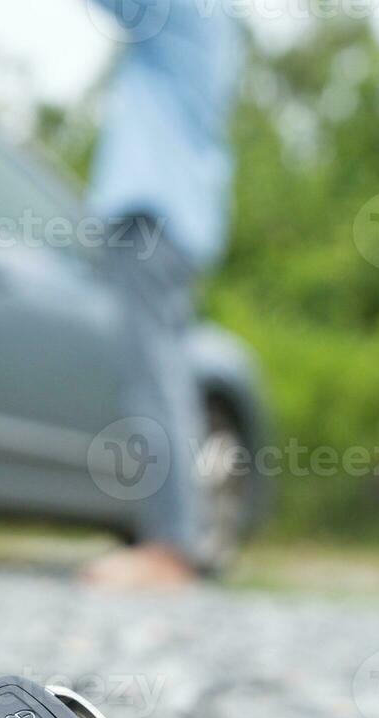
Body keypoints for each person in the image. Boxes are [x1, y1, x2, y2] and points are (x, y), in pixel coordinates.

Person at [80, 0, 244, 589]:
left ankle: (168, 549)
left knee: (153, 378)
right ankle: (176, 541)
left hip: (154, 215)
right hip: (178, 217)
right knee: (165, 377)